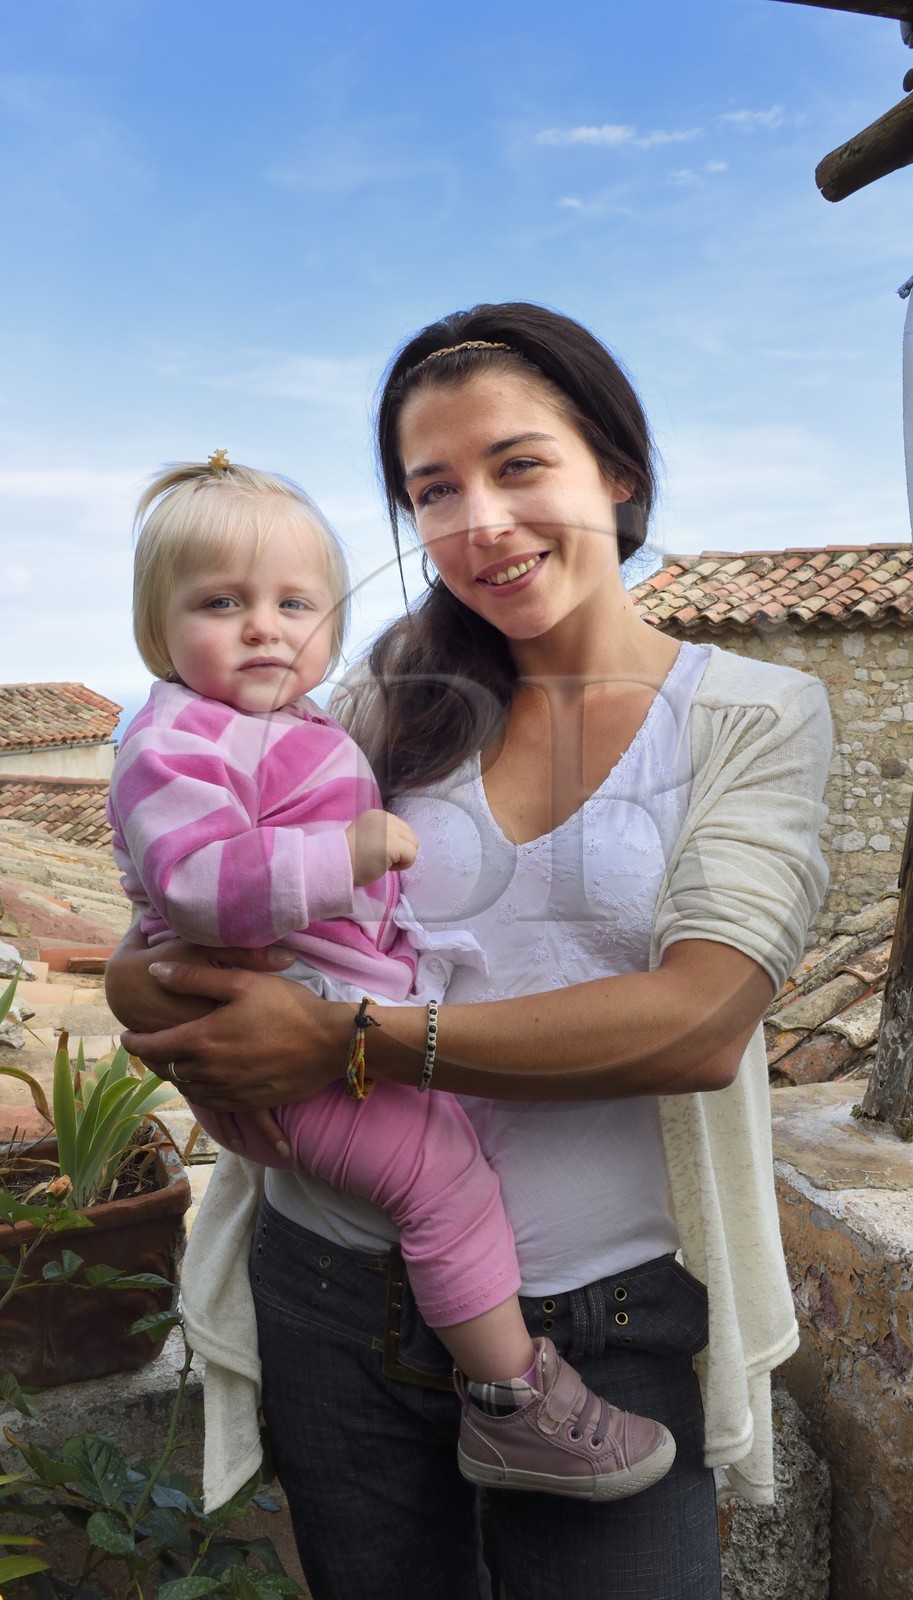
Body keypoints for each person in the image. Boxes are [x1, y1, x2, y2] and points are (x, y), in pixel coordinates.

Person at [106, 303, 833, 1600]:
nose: (476, 519)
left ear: (614, 466)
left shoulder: (747, 714)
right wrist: (138, 988)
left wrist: (343, 1039)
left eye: (517, 465)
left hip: (600, 1326)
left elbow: (700, 1022)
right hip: (332, 1291)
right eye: (430, 489)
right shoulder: (380, 705)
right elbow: (180, 904)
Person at [106, 454, 676, 1504]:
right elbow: (192, 887)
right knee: (440, 1183)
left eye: (294, 603)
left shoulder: (300, 718)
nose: (265, 628)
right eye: (221, 604)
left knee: (445, 1161)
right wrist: (349, 855)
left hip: (332, 1027)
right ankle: (511, 1400)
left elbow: (699, 1024)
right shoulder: (179, 741)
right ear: (160, 625)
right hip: (297, 1048)